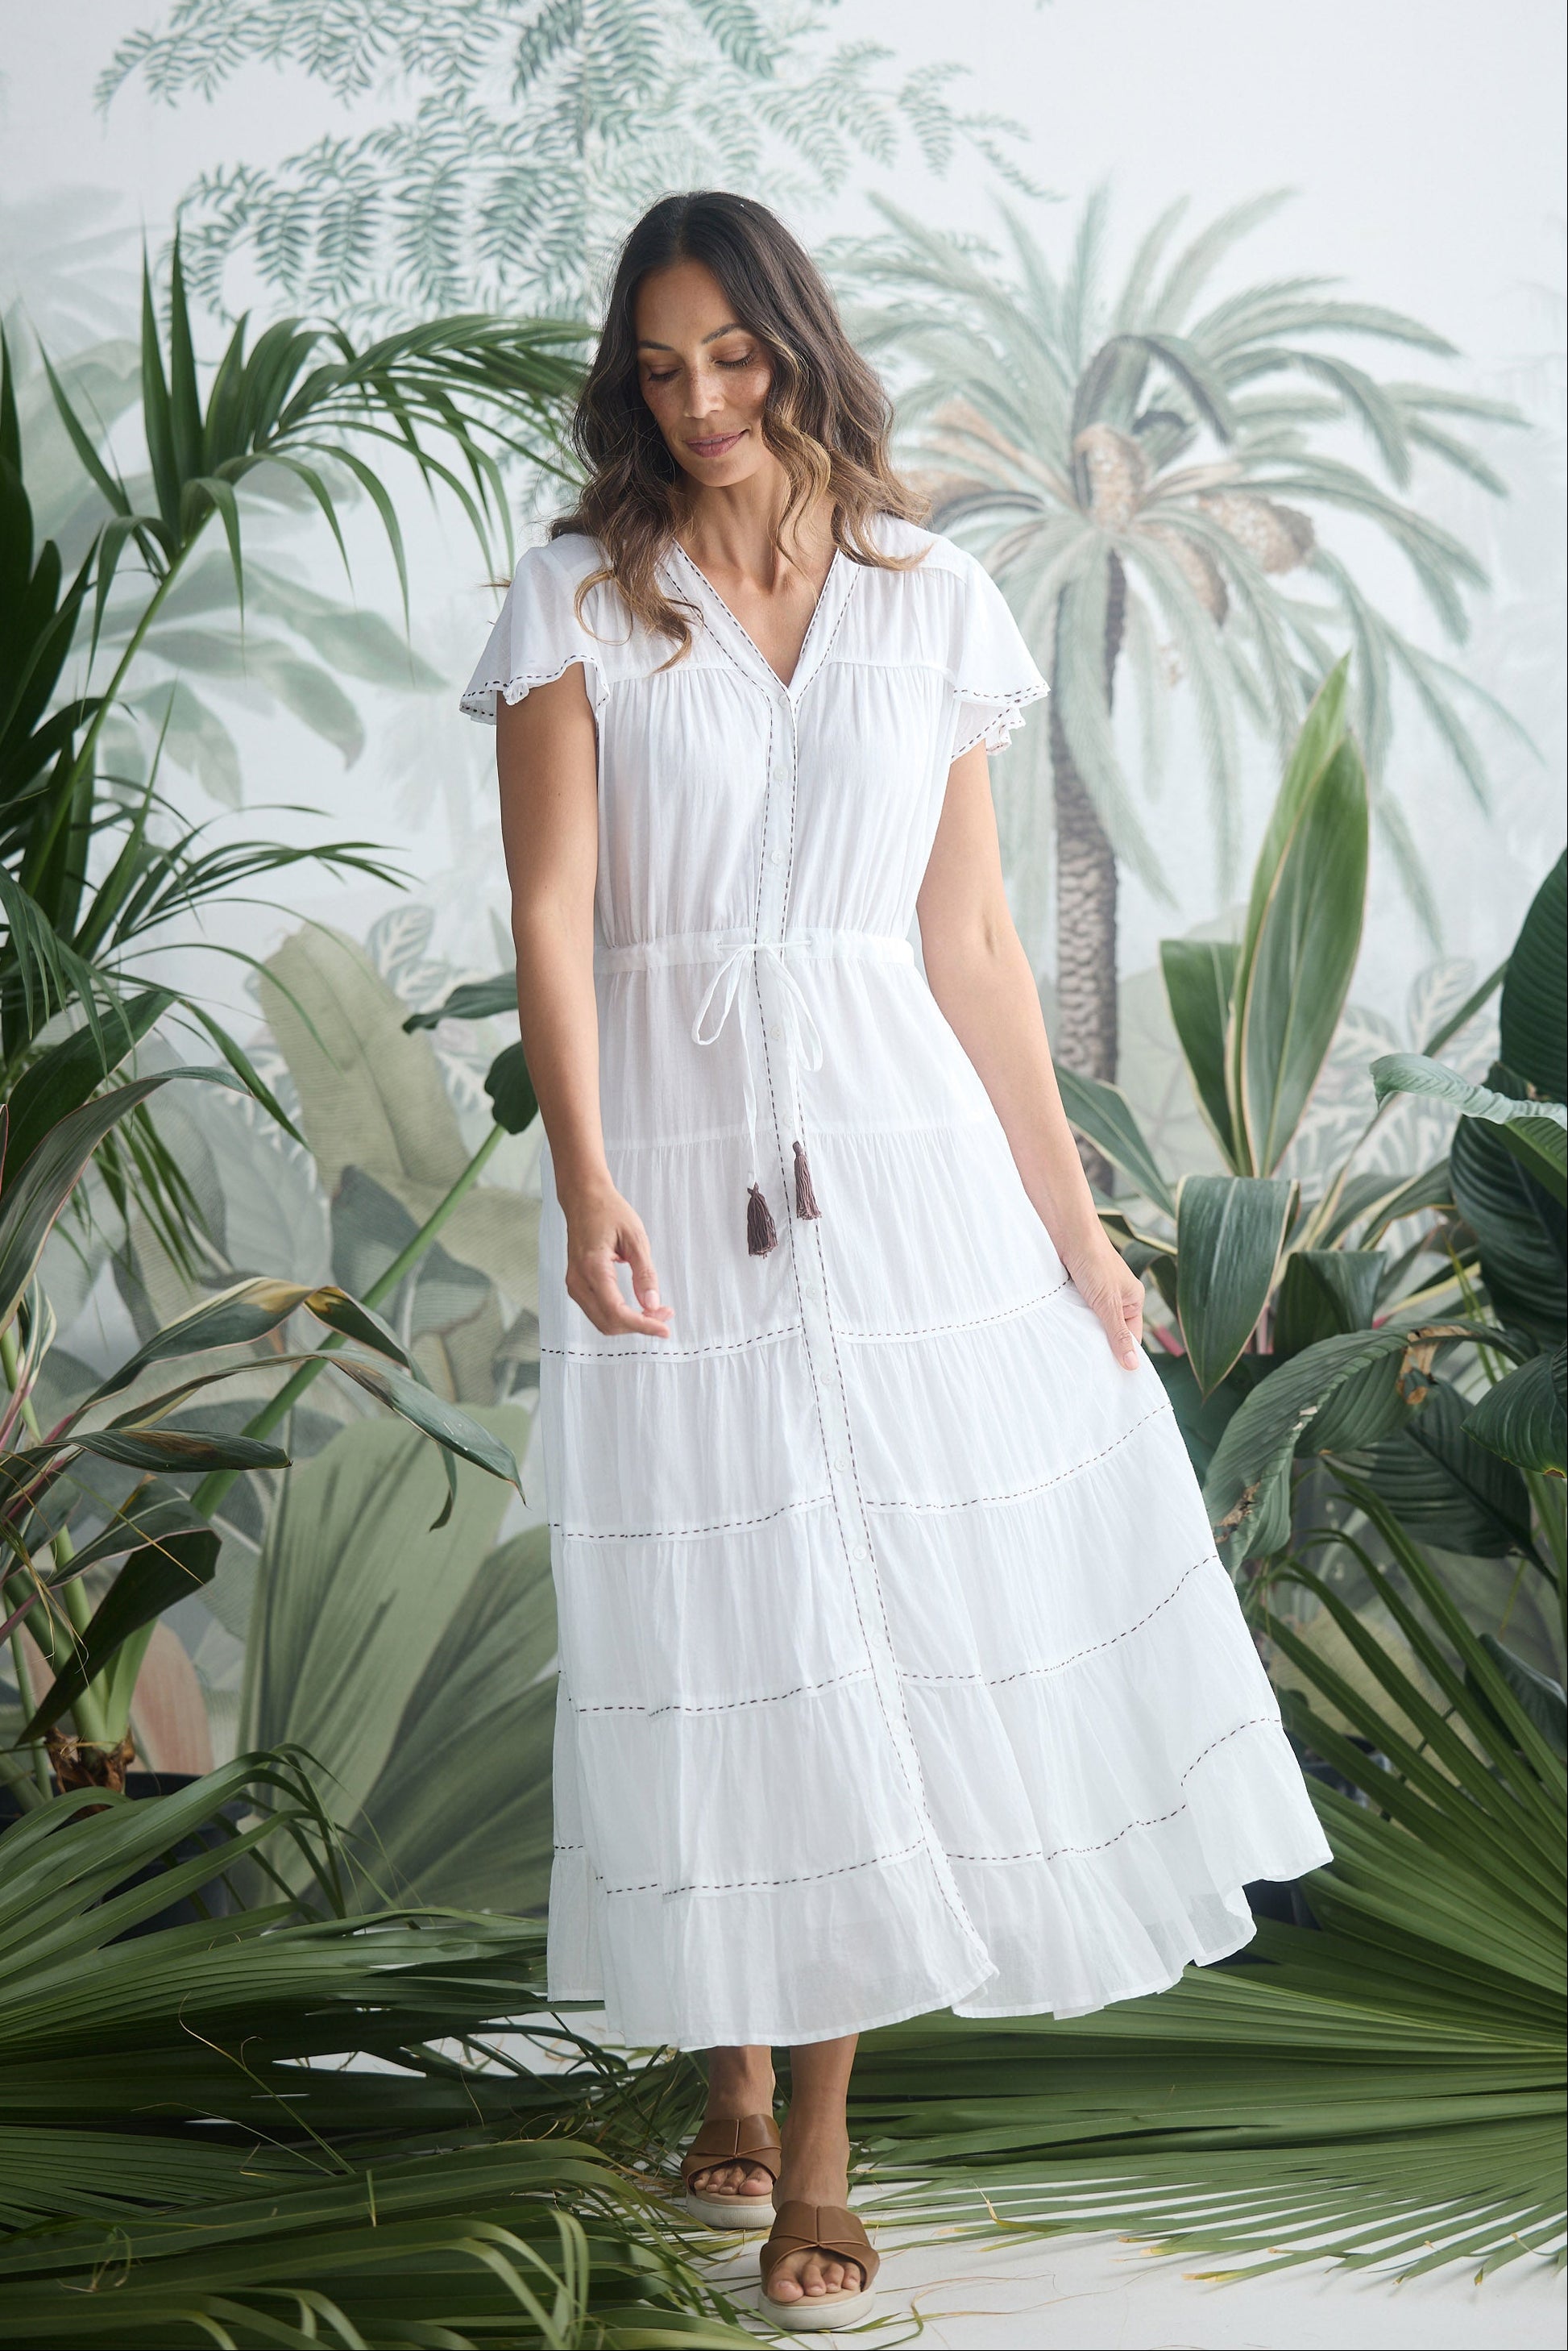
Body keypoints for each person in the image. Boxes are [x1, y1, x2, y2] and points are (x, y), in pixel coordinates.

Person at [461, 189, 1331, 2332]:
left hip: (893, 1151)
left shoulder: (926, 593)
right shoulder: (580, 590)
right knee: (715, 1597)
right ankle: (725, 2043)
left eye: (731, 358)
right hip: (671, 1139)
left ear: (794, 343)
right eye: (659, 368)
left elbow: (966, 945)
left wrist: (1073, 1228)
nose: (698, 403)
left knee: (873, 1605)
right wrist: (582, 1182)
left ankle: (815, 2135)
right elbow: (555, 917)